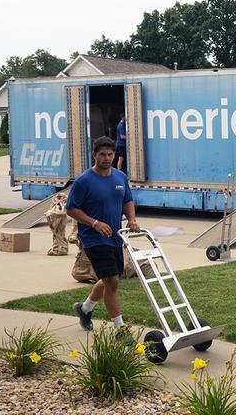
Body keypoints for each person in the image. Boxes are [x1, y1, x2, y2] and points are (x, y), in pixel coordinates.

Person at [66, 136, 140, 333]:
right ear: (94, 155)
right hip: (93, 238)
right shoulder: (84, 181)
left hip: (115, 236)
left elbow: (127, 201)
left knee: (109, 279)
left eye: (110, 154)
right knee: (112, 281)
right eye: (102, 155)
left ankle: (85, 308)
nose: (107, 158)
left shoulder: (120, 177)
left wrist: (131, 219)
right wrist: (95, 223)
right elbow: (71, 209)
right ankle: (120, 330)